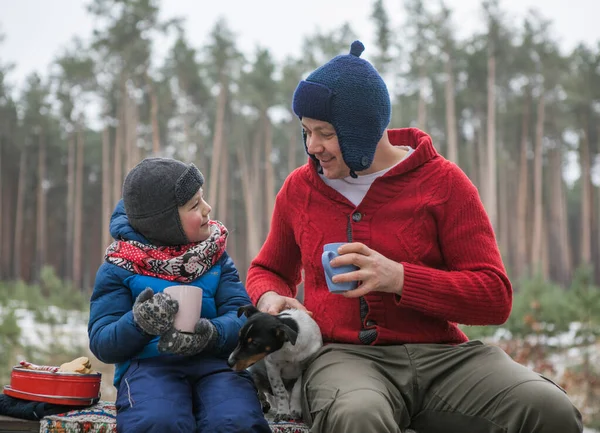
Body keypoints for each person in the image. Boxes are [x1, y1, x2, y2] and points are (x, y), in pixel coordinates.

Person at [245, 41, 583, 433]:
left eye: (325, 133)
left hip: (446, 360)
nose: (312, 146)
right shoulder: (300, 190)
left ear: (363, 130)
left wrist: (400, 278)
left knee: (547, 407)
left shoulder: (443, 183)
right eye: (306, 131)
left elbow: (494, 298)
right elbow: (267, 268)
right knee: (358, 416)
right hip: (345, 358)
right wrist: (269, 296)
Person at [88, 157, 270, 433]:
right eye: (195, 205)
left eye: (203, 198)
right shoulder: (119, 267)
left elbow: (241, 316)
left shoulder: (214, 256)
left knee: (237, 421)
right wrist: (139, 323)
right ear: (166, 222)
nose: (208, 209)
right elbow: (102, 341)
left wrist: (211, 334)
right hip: (149, 368)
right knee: (158, 422)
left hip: (218, 365)